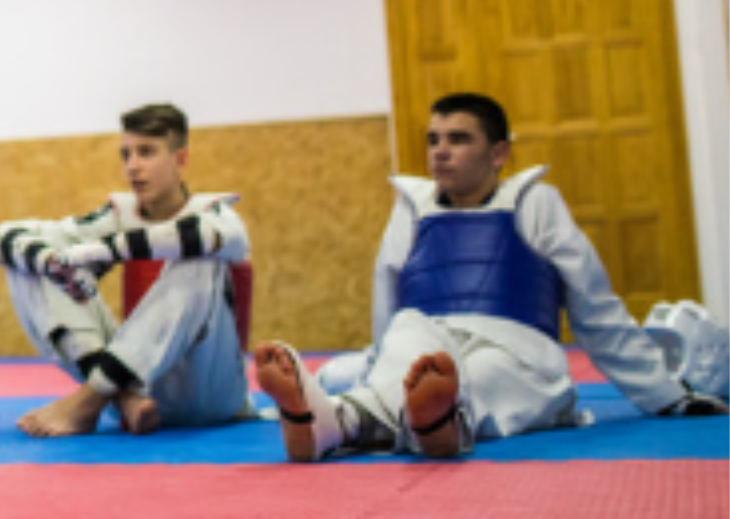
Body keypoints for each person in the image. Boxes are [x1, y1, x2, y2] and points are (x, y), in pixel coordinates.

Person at [255, 91, 727, 462]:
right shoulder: (411, 210)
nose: (440, 152)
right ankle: (367, 423)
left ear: (498, 153)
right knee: (405, 345)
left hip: (517, 350)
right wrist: (381, 364)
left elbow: (597, 311)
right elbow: (387, 304)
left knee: (481, 378)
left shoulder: (535, 203)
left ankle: (365, 421)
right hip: (430, 339)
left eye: (458, 139)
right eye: (433, 140)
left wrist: (666, 395)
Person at [0, 103, 251, 438]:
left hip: (212, 395)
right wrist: (50, 263)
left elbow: (203, 237)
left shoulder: (215, 214)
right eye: (126, 154)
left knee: (198, 257)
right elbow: (3, 238)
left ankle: (89, 399)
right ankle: (122, 398)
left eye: (146, 152)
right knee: (27, 265)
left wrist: (104, 251)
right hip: (142, 389)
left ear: (180, 159)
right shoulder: (119, 215)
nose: (133, 166)